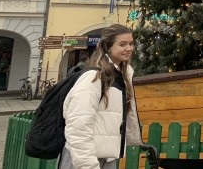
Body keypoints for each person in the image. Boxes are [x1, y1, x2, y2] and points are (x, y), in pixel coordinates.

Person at [59, 24, 142, 169]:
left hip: (106, 157)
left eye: (131, 43)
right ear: (108, 47)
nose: (129, 48)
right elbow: (78, 126)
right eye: (122, 44)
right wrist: (88, 165)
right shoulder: (94, 77)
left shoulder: (122, 76)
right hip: (83, 160)